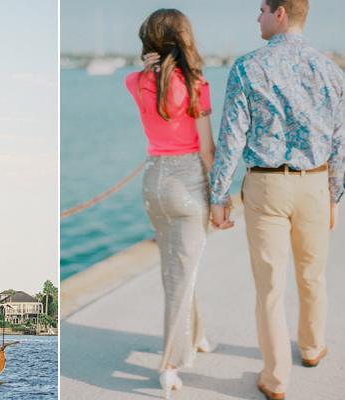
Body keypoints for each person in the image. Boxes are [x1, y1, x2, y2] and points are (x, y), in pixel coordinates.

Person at [210, 0, 345, 399]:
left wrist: (219, 195)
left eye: (263, 10)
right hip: (315, 185)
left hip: (266, 187)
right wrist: (334, 195)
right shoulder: (331, 70)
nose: (258, 18)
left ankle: (276, 380)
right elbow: (340, 142)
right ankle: (312, 348)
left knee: (270, 287)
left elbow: (232, 137)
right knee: (312, 276)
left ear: (281, 12)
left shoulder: (247, 66)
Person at [125, 9, 230, 399]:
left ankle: (198, 336)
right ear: (183, 38)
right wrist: (223, 194)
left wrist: (146, 67)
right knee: (180, 276)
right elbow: (207, 149)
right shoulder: (197, 83)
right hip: (187, 183)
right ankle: (168, 365)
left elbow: (137, 77)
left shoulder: (135, 82)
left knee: (178, 268)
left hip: (153, 182)